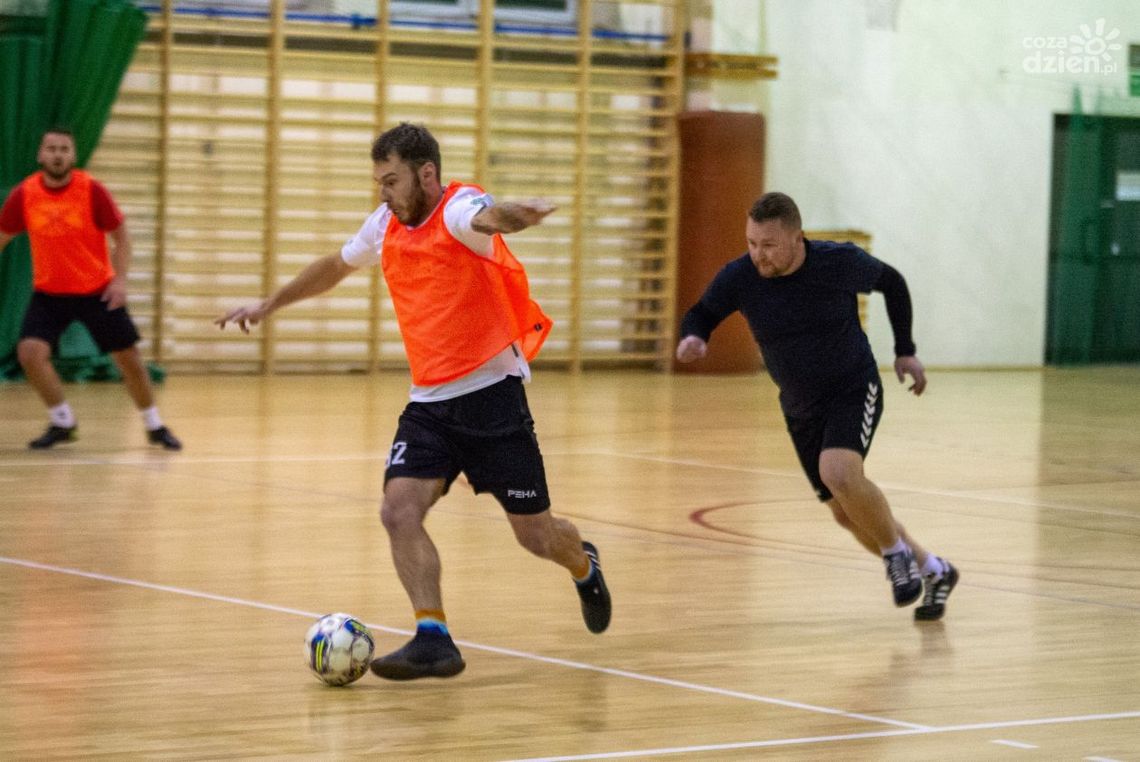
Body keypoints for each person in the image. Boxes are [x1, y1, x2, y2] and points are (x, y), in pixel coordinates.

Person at [216, 122, 611, 679]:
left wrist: (517, 214)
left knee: (536, 536)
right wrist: (269, 303)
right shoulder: (384, 224)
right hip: (429, 404)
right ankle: (433, 636)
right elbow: (335, 266)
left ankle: (583, 565)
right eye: (379, 181)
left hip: (491, 399)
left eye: (392, 180)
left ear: (426, 175)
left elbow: (487, 217)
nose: (383, 193)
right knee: (398, 510)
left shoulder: (456, 210)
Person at [676, 191, 958, 621]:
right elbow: (703, 312)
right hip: (799, 407)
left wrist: (905, 350)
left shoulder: (836, 262)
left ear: (796, 239)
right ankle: (933, 569)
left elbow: (892, 284)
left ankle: (895, 554)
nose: (758, 255)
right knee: (847, 515)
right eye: (751, 243)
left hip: (852, 387)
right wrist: (695, 337)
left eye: (768, 245)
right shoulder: (741, 276)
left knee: (840, 472)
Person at [0, 127, 181, 451]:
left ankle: (154, 425)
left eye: (64, 149)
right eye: (52, 148)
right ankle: (62, 421)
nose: (58, 154)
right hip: (50, 293)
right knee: (30, 354)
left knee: (129, 360)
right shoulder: (25, 195)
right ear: (41, 155)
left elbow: (122, 237)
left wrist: (120, 280)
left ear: (73, 155)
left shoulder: (91, 191)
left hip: (96, 290)